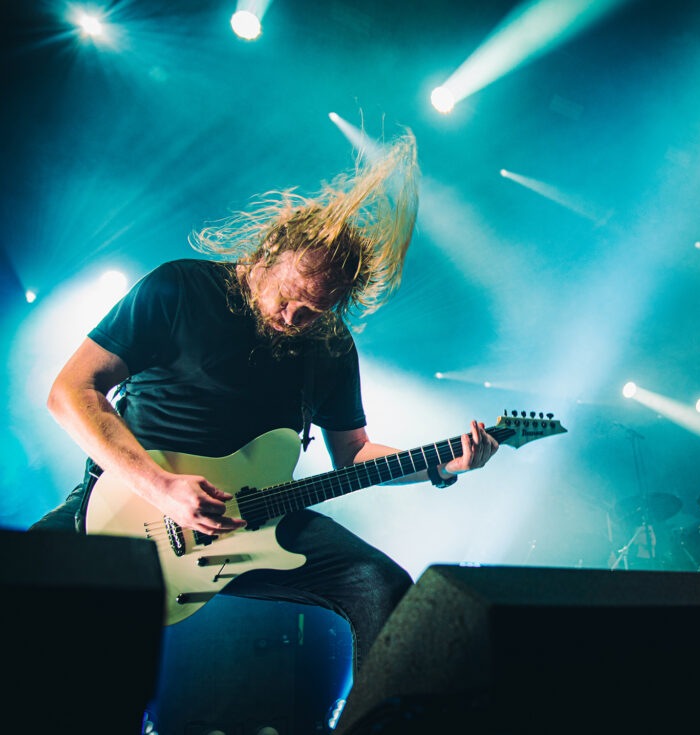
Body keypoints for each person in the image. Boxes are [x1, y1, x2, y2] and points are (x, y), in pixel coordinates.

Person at [30, 130, 500, 674]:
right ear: (269, 251)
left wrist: (442, 465)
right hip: (125, 505)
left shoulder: (330, 346)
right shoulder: (179, 289)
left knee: (382, 586)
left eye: (316, 311)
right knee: (25, 588)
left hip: (254, 519)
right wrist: (160, 487)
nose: (295, 319)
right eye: (289, 298)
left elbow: (352, 455)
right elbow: (71, 390)